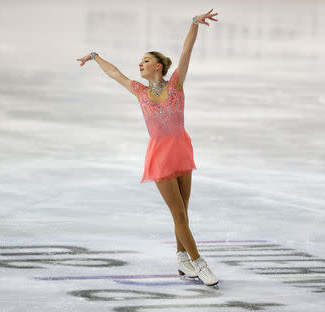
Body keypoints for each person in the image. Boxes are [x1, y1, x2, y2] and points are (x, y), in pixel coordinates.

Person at [76, 9, 219, 286]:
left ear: (158, 66)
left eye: (146, 61)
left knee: (183, 212)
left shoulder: (176, 84)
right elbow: (115, 73)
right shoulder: (140, 91)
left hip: (181, 149)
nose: (140, 64)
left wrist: (193, 24)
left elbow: (186, 51)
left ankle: (181, 259)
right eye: (140, 61)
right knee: (178, 214)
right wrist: (95, 57)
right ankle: (199, 263)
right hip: (160, 157)